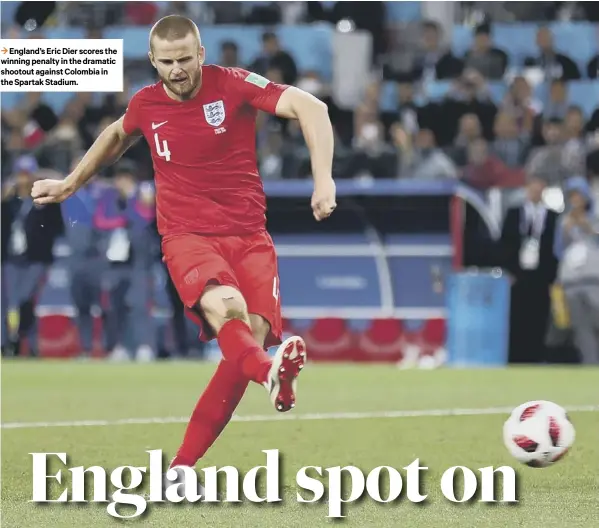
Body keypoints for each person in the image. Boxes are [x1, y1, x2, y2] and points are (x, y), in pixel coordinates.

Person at [31, 14, 336, 485]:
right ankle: (270, 371)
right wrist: (71, 183)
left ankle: (183, 466)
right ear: (152, 60)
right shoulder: (145, 103)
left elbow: (312, 107)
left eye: (185, 59)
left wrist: (324, 179)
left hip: (251, 236)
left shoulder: (234, 85)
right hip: (188, 237)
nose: (177, 69)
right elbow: (116, 134)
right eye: (167, 61)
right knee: (229, 310)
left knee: (244, 346)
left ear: (202, 54)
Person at [498, 175, 559, 363]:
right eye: (533, 186)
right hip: (518, 274)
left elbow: (555, 249)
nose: (536, 190)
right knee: (517, 317)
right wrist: (508, 271)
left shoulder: (552, 216)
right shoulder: (514, 213)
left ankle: (536, 356)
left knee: (539, 317)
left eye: (540, 186)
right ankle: (515, 357)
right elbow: (504, 244)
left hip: (541, 277)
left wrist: (551, 277)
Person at [553, 176, 599, 364]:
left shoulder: (595, 219)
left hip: (594, 279)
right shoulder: (563, 222)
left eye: (579, 195)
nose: (575, 200)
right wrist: (565, 232)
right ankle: (591, 365)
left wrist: (587, 227)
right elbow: (557, 252)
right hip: (571, 281)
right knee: (581, 328)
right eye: (572, 196)